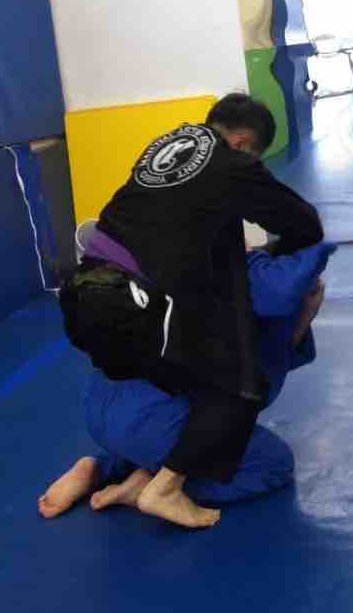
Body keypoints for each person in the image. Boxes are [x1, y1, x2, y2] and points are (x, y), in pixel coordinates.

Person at [59, 94, 323, 529]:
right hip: (136, 304)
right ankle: (163, 487)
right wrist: (283, 253)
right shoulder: (231, 163)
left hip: (85, 292)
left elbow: (175, 228)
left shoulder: (169, 145)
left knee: (180, 381)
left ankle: (116, 469)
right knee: (239, 385)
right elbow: (303, 222)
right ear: (243, 143)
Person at [40, 241, 333, 521]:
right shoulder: (262, 302)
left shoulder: (182, 267)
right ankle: (155, 485)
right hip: (151, 422)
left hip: (102, 404)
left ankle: (99, 468)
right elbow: (253, 392)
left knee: (166, 418)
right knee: (272, 463)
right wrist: (306, 312)